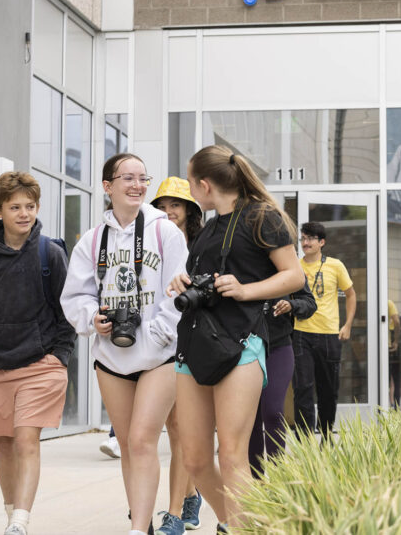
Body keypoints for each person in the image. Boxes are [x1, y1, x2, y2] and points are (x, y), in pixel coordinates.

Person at [168, 145, 304, 531]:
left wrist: (246, 290)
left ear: (205, 184)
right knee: (195, 459)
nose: (190, 192)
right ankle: (242, 524)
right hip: (196, 344)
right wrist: (184, 281)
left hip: (242, 343)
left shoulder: (261, 217)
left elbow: (295, 275)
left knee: (231, 455)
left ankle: (242, 529)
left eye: (190, 183)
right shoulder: (209, 228)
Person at [62, 154, 187, 535]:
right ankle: (141, 522)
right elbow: (76, 295)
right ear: (108, 186)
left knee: (141, 439)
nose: (137, 185)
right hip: (111, 357)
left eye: (142, 178)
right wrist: (92, 318)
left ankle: (137, 529)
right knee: (130, 447)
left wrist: (158, 333)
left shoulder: (166, 233)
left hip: (159, 355)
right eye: (128, 178)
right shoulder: (92, 240)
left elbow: (179, 291)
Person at [0, 172, 76, 535]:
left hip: (40, 365)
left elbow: (68, 311)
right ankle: (10, 514)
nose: (24, 214)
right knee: (4, 442)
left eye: (30, 206)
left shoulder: (50, 253)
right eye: (15, 207)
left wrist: (60, 355)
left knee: (26, 439)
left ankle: (20, 520)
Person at [151, 177, 204, 535]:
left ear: (189, 210)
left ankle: (174, 514)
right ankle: (191, 494)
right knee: (172, 426)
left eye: (176, 205)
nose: (169, 211)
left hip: (194, 341)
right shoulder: (151, 242)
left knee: (183, 427)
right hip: (160, 343)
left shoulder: (201, 245)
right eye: (163, 206)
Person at [292, 221, 356, 439]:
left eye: (310, 238)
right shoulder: (295, 266)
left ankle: (327, 437)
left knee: (328, 390)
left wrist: (347, 325)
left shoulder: (335, 266)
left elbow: (351, 294)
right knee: (302, 389)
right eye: (303, 238)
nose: (305, 242)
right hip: (300, 333)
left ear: (322, 242)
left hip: (329, 335)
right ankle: (305, 442)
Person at [248, 278, 316, 477]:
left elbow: (309, 303)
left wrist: (292, 305)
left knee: (272, 411)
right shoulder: (240, 262)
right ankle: (256, 481)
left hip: (279, 345)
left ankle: (278, 477)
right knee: (250, 417)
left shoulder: (286, 267)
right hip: (245, 347)